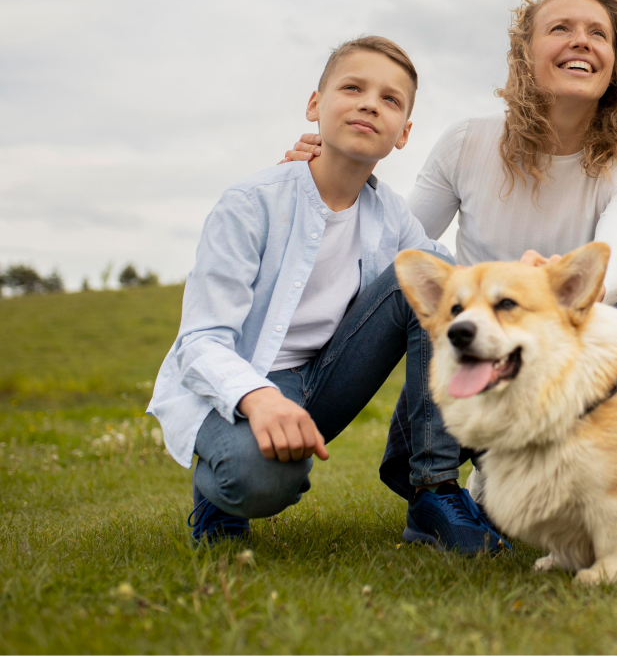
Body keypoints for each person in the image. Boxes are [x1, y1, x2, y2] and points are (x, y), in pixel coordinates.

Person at [286, 0, 617, 549]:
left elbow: (615, 268)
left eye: (599, 33)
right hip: (462, 382)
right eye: (561, 28)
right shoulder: (469, 143)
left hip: (553, 375)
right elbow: (392, 255)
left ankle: (590, 470)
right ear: (526, 53)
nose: (581, 41)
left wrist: (544, 285)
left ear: (615, 62)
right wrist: (317, 188)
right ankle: (435, 482)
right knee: (429, 262)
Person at [148, 36, 472, 544]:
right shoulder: (250, 203)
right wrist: (259, 398)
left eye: (390, 99)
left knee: (433, 275)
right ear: (314, 105)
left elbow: (459, 285)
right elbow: (202, 342)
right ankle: (218, 497)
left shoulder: (392, 217)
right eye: (352, 87)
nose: (369, 103)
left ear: (403, 133)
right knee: (263, 479)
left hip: (325, 381)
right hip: (242, 383)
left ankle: (433, 487)